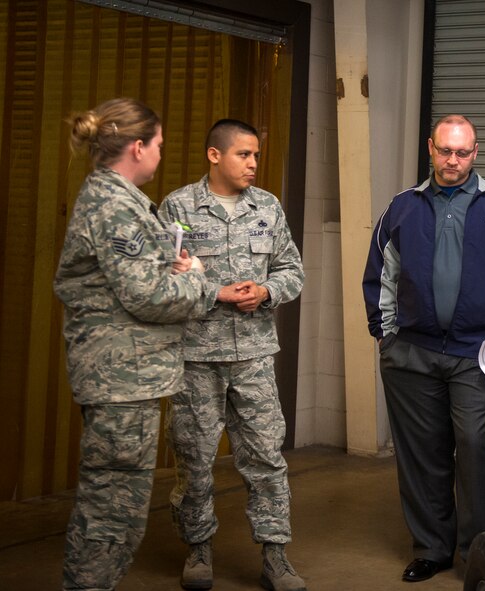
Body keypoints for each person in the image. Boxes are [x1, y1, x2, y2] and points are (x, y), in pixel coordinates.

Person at [362, 114, 485, 583]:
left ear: (476, 151)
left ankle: (477, 553)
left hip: (479, 353)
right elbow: (379, 274)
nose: (453, 161)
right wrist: (384, 333)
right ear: (431, 148)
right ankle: (432, 547)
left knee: (471, 444)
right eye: (445, 151)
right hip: (412, 353)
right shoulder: (403, 207)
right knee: (422, 452)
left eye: (462, 152)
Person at [55, 97, 216, 590]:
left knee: (118, 507)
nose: (162, 155)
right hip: (119, 379)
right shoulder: (113, 207)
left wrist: (178, 271)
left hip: (129, 377)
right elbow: (147, 294)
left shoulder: (120, 200)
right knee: (110, 514)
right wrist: (199, 282)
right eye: (161, 146)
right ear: (138, 147)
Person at [158, 119, 307, 591]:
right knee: (195, 458)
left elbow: (292, 270)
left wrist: (265, 289)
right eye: (245, 154)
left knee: (266, 458)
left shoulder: (268, 207)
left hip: (255, 357)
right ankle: (198, 550)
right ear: (215, 155)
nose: (254, 164)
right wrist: (216, 292)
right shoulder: (178, 207)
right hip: (195, 358)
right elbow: (161, 279)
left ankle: (276, 557)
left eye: (257, 155)